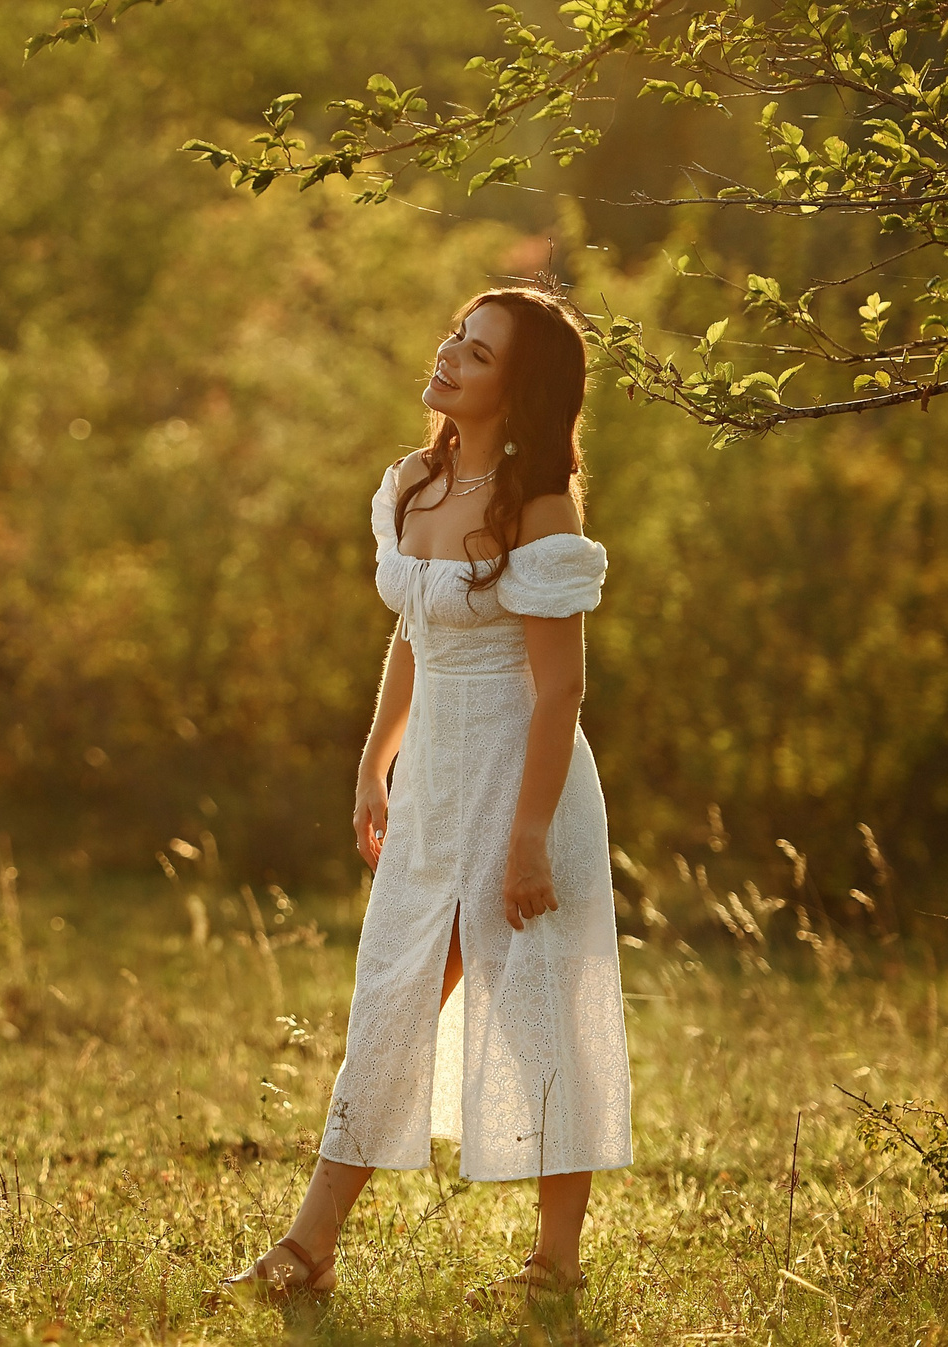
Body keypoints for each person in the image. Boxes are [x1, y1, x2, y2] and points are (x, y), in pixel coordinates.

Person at [221, 287, 630, 1308]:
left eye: (477, 353)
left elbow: (561, 688)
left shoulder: (539, 508)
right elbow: (414, 628)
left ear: (518, 390)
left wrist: (528, 837)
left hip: (521, 778)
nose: (449, 355)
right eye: (456, 335)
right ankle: (309, 1248)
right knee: (388, 1004)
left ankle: (555, 1266)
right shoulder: (414, 481)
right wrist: (377, 760)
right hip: (434, 784)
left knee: (540, 1011)